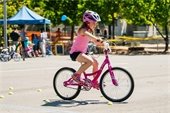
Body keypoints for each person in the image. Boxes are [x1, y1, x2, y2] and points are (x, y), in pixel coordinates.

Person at [69, 10, 103, 88]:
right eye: (94, 22)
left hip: (82, 53)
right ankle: (76, 75)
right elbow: (91, 37)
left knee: (95, 63)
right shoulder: (82, 30)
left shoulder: (89, 31)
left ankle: (94, 82)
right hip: (75, 53)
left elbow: (94, 40)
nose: (96, 24)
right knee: (90, 62)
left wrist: (104, 44)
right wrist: (97, 39)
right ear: (88, 22)